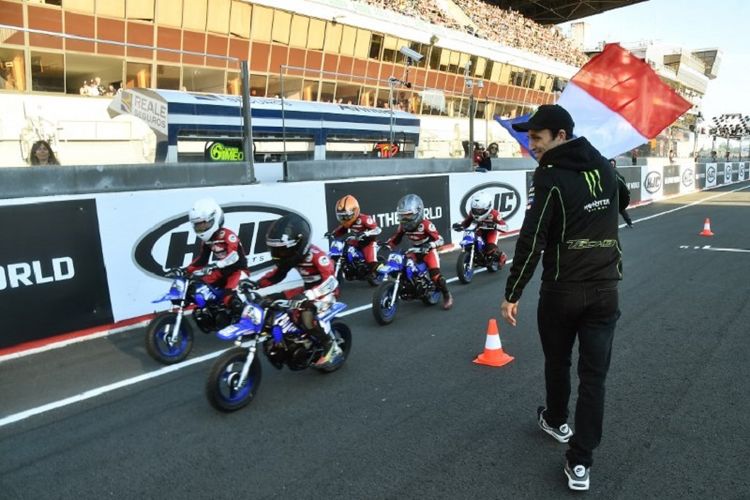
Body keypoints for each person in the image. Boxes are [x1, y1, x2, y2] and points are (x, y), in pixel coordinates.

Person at [500, 104, 622, 491]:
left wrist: (512, 292)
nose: (531, 145)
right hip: (606, 289)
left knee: (558, 361)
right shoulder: (603, 165)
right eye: (530, 137)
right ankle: (580, 461)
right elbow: (623, 195)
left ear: (561, 137)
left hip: (563, 290)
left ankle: (557, 420)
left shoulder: (548, 176)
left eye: (537, 137)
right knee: (594, 378)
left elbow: (532, 238)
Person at [252, 214, 343, 367]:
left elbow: (331, 282)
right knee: (268, 300)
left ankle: (331, 346)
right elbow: (277, 275)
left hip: (324, 293)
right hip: (305, 291)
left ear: (299, 245)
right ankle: (282, 341)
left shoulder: (318, 257)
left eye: (282, 251)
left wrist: (308, 295)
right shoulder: (292, 256)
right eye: (276, 251)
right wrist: (255, 284)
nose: (279, 255)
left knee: (306, 316)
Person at [385, 194, 453, 310]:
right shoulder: (403, 226)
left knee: (436, 276)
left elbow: (440, 240)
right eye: (403, 216)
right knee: (403, 268)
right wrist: (387, 245)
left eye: (408, 215)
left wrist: (430, 245)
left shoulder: (426, 224)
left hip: (428, 252)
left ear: (418, 212)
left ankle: (447, 295)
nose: (405, 219)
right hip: (414, 251)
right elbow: (396, 239)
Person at [184, 198, 248, 308]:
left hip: (237, 271)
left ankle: (243, 319)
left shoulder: (228, 235)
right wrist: (186, 271)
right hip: (221, 271)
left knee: (229, 298)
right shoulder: (207, 240)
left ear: (215, 218)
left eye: (203, 224)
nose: (201, 228)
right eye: (198, 226)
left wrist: (216, 265)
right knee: (199, 287)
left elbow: (234, 256)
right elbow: (202, 259)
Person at [327, 194, 382, 279]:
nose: (345, 219)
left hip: (368, 242)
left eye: (346, 216)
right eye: (342, 216)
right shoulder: (347, 222)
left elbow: (378, 229)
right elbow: (341, 229)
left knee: (371, 262)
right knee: (345, 248)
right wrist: (332, 234)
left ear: (355, 211)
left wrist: (366, 233)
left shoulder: (364, 219)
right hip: (356, 241)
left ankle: (378, 272)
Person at [452, 192, 508, 266]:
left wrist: (495, 226)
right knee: (471, 242)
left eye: (480, 210)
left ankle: (501, 256)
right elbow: (466, 223)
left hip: (491, 232)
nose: (477, 212)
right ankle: (473, 256)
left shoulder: (494, 214)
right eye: (475, 210)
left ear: (487, 207)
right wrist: (459, 226)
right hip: (479, 231)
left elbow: (506, 228)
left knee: (490, 249)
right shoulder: (472, 213)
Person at [609, 159, 633, 228]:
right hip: (612, 194)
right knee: (620, 210)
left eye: (613, 164)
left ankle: (629, 223)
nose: (612, 165)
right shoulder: (610, 172)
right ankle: (629, 223)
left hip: (616, 194)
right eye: (611, 164)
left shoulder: (615, 173)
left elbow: (622, 180)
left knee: (619, 209)